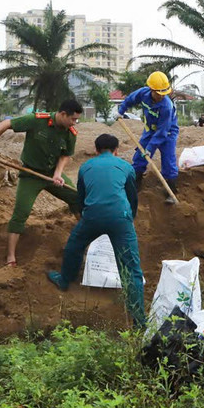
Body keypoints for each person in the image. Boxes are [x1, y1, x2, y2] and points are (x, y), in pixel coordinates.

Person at [46, 134, 146, 327]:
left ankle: (65, 280)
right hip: (120, 218)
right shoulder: (126, 167)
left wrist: (88, 215)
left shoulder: (85, 167)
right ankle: (139, 322)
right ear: (116, 150)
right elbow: (132, 197)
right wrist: (129, 218)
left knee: (74, 245)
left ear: (96, 149)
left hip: (92, 216)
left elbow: (81, 198)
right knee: (131, 268)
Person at [0, 99, 83, 266]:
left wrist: (58, 173)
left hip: (51, 175)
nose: (75, 122)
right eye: (73, 119)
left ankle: (86, 236)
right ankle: (11, 256)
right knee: (21, 213)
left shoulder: (70, 133)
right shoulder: (37, 120)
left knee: (77, 198)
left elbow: (66, 155)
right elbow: (6, 124)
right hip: (31, 175)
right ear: (63, 114)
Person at [114, 71, 180, 203]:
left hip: (167, 133)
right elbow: (129, 100)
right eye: (159, 93)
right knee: (139, 156)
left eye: (164, 94)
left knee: (168, 160)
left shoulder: (166, 106)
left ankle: (170, 190)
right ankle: (135, 185)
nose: (161, 96)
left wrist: (150, 148)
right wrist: (120, 112)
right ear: (151, 89)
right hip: (150, 130)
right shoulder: (143, 93)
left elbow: (162, 131)